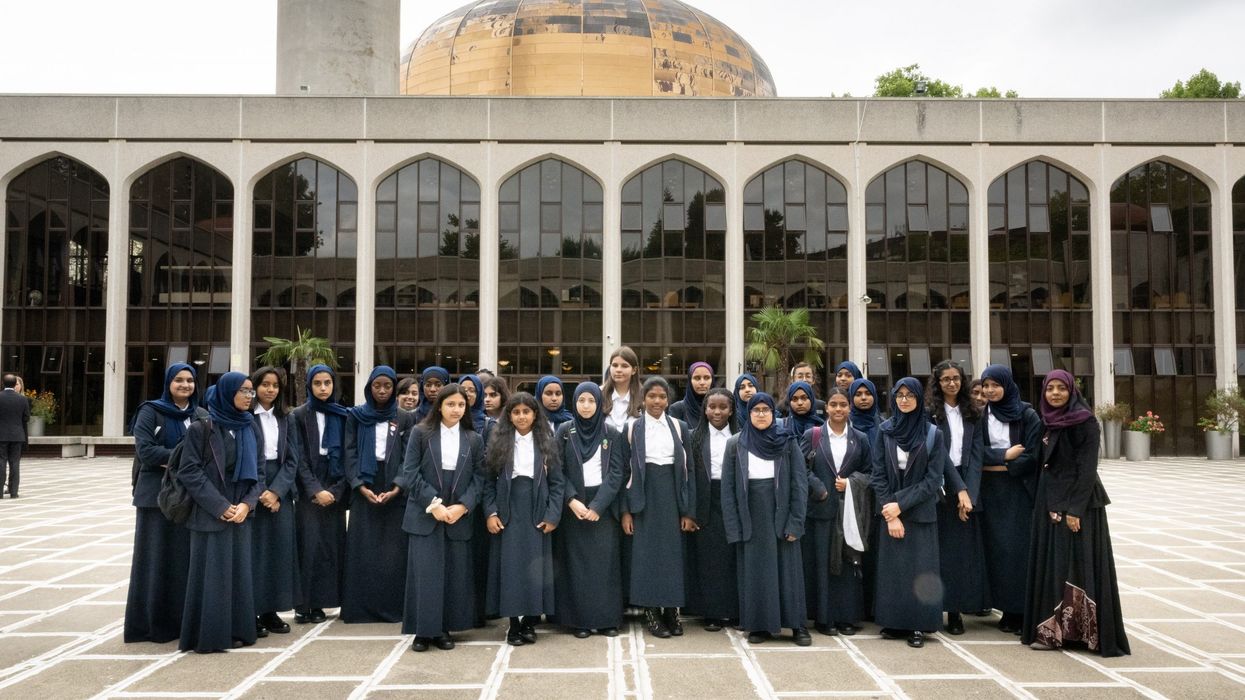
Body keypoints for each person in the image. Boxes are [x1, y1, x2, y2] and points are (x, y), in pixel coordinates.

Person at [1022, 370, 1130, 657]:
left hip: (1077, 507)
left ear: (1072, 391)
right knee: (1054, 567)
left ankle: (1083, 633)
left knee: (1076, 567)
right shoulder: (1048, 423)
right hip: (1049, 504)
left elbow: (1086, 470)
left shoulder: (1085, 421)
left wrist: (1073, 510)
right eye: (1050, 389)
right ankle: (1054, 631)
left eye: (1061, 388)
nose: (1055, 394)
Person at [177, 372, 262, 653]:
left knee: (239, 575)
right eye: (244, 391)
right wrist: (220, 506)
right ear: (227, 393)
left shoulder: (251, 427)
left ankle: (239, 630)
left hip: (241, 514)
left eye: (252, 392)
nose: (250, 397)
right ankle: (211, 636)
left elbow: (258, 474)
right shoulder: (202, 429)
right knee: (213, 577)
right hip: (210, 515)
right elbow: (189, 471)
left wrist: (248, 504)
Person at [396, 383, 484, 652]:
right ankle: (423, 631)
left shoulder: (473, 438)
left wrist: (463, 506)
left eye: (461, 405)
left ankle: (444, 629)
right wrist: (433, 504)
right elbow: (410, 471)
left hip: (457, 511)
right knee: (426, 572)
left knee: (452, 573)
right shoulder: (421, 433)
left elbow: (480, 477)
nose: (456, 409)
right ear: (439, 406)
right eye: (450, 404)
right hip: (426, 509)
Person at [722, 393, 811, 647]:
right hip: (752, 517)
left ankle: (796, 626)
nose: (761, 414)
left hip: (781, 515)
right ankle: (760, 625)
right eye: (755, 410)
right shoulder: (735, 444)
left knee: (788, 572)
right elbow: (728, 490)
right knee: (757, 573)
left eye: (766, 410)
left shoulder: (787, 441)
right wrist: (734, 527)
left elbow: (799, 485)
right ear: (748, 414)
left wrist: (796, 521)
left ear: (774, 413)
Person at [125, 363, 201, 643]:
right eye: (179, 380)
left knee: (182, 562)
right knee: (155, 560)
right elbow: (145, 450)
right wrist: (185, 460)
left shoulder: (200, 415)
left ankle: (181, 622)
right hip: (155, 498)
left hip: (189, 497)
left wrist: (182, 461)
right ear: (169, 382)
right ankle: (151, 626)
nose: (185, 385)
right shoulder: (151, 410)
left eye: (190, 380)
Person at [484, 392, 565, 645]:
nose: (521, 417)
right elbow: (487, 482)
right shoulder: (499, 441)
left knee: (535, 567)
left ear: (535, 415)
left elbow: (557, 483)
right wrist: (491, 512)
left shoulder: (546, 442)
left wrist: (553, 514)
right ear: (509, 415)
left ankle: (530, 621)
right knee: (511, 568)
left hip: (537, 508)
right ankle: (514, 624)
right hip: (508, 508)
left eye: (526, 412)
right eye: (516, 412)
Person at [870, 377, 945, 649]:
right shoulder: (885, 430)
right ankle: (895, 622)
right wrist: (891, 513)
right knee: (894, 570)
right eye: (899, 395)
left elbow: (933, 480)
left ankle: (917, 625)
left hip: (919, 512)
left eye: (909, 395)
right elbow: (877, 474)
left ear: (918, 398)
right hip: (891, 510)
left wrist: (899, 505)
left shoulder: (933, 434)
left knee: (919, 570)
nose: (904, 400)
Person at [342, 365, 416, 623]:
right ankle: (361, 609)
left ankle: (392, 608)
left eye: (387, 386)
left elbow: (409, 456)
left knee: (393, 551)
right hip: (365, 483)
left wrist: (397, 486)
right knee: (365, 548)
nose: (383, 391)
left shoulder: (405, 417)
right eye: (377, 385)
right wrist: (359, 485)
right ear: (369, 387)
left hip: (394, 485)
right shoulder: (356, 415)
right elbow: (348, 452)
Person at [622, 377, 694, 638]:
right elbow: (622, 471)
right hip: (643, 497)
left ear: (668, 400)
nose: (657, 401)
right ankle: (651, 611)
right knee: (646, 557)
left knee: (672, 557)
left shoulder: (679, 426)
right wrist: (625, 511)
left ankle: (672, 611)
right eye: (651, 396)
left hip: (672, 496)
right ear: (643, 399)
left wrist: (688, 510)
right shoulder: (631, 428)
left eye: (662, 396)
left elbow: (690, 470)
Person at [555, 383, 629, 637]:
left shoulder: (612, 432)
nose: (586, 406)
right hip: (574, 506)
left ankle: (608, 619)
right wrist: (572, 500)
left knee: (605, 564)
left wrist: (598, 505)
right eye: (581, 400)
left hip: (603, 506)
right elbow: (557, 471)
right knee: (577, 565)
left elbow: (618, 472)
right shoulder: (565, 431)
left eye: (591, 401)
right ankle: (580, 621)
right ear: (574, 403)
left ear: (599, 404)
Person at [978, 364, 1042, 635]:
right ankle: (1005, 608)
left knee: (1018, 551)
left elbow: (1032, 453)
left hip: (1018, 491)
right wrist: (1004, 457)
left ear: (1007, 384)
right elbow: (977, 452)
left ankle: (1021, 610)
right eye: (986, 386)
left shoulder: (1026, 414)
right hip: (991, 492)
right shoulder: (981, 415)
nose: (990, 391)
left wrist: (1002, 465)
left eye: (995, 385)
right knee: (997, 551)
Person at [801, 387, 868, 636]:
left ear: (849, 407)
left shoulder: (860, 438)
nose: (838, 409)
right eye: (833, 404)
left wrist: (851, 483)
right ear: (826, 408)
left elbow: (871, 472)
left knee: (848, 562)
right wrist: (818, 488)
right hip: (820, 509)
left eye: (843, 404)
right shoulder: (814, 435)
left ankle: (847, 617)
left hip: (849, 510)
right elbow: (801, 467)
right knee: (822, 563)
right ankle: (823, 617)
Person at [926, 360, 987, 636]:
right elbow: (939, 455)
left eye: (956, 378)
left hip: (966, 486)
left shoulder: (973, 412)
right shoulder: (930, 414)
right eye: (946, 379)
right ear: (937, 384)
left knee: (960, 554)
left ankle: (956, 611)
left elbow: (976, 456)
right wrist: (959, 488)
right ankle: (932, 609)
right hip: (939, 483)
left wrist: (970, 495)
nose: (952, 383)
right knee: (939, 552)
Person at [289, 364, 351, 624]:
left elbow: (349, 455)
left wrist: (335, 491)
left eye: (328, 383)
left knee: (330, 547)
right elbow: (298, 456)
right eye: (318, 384)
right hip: (309, 491)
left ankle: (322, 603)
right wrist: (315, 489)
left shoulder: (344, 415)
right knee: (309, 546)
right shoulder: (299, 415)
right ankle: (305, 604)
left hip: (335, 489)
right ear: (310, 386)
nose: (323, 388)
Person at [249, 366, 298, 637]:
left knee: (278, 553)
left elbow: (292, 458)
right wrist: (262, 493)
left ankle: (271, 610)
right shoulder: (246, 417)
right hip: (253, 488)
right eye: (265, 384)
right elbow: (244, 457)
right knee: (255, 553)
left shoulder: (285, 417)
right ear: (255, 386)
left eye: (275, 385)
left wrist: (277, 492)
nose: (270, 389)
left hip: (280, 489)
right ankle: (252, 610)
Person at [686, 388, 738, 631]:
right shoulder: (693, 437)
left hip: (732, 501)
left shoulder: (741, 436)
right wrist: (691, 511)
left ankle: (735, 609)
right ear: (704, 409)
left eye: (723, 407)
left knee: (733, 558)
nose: (717, 412)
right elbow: (688, 477)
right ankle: (713, 613)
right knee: (710, 561)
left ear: (731, 410)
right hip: (705, 502)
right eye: (712, 407)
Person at [0, 373, 29, 499]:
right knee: (15, 463)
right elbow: (26, 417)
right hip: (17, 435)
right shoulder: (22, 399)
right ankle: (14, 492)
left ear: (3, 383)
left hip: (1, 435)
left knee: (1, 462)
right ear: (14, 384)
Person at [601, 346, 642, 432]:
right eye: (615, 365)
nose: (618, 370)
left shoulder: (644, 396)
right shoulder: (599, 394)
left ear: (634, 370)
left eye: (624, 366)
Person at [670, 362, 714, 430]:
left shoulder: (720, 408)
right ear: (690, 380)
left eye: (706, 378)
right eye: (697, 378)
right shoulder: (677, 409)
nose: (702, 382)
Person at [848, 378, 881, 445]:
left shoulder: (883, 425)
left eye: (868, 393)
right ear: (851, 397)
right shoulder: (844, 424)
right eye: (858, 394)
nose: (863, 398)